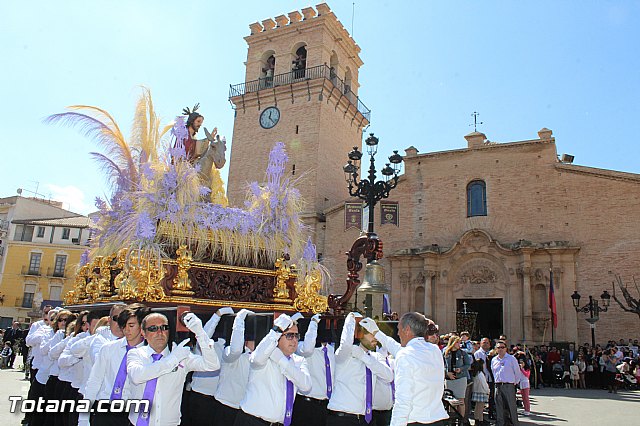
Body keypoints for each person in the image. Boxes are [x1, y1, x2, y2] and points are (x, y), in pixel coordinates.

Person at [127, 312, 220, 426]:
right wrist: (173, 359)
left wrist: (200, 333)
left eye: (164, 328)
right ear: (143, 333)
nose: (160, 332)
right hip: (137, 423)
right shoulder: (136, 354)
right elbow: (137, 376)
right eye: (153, 328)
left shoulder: (181, 355)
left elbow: (212, 365)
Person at [236, 313, 311, 426]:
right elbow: (256, 359)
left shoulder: (299, 361)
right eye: (290, 336)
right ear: (278, 338)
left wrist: (282, 361)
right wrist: (277, 329)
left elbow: (306, 386)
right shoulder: (265, 357)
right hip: (253, 421)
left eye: (297, 336)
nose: (294, 340)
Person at [85, 304, 149, 426]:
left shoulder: (149, 354)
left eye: (131, 325)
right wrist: (83, 418)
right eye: (123, 325)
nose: (126, 329)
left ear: (142, 326)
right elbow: (94, 381)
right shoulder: (108, 348)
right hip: (104, 408)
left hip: (130, 412)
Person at [326, 313, 393, 425]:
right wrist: (351, 321)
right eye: (370, 334)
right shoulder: (345, 355)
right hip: (342, 418)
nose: (375, 338)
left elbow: (389, 376)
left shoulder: (375, 358)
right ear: (360, 334)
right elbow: (345, 344)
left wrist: (364, 357)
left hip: (366, 419)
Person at [384, 312, 447, 426]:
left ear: (407, 329)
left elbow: (403, 399)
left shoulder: (406, 355)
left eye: (399, 329)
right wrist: (377, 333)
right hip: (436, 419)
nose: (398, 333)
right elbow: (400, 349)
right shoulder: (434, 350)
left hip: (415, 420)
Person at [213, 309, 255, 426]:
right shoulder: (229, 352)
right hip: (225, 406)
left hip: (244, 409)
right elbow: (236, 349)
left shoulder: (259, 357)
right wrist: (239, 321)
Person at [291, 313, 333, 426]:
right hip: (306, 404)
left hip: (325, 406)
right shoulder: (302, 347)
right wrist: (313, 323)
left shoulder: (331, 350)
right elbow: (308, 349)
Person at [491, 340, 522, 426]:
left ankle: (514, 423)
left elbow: (517, 372)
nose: (500, 349)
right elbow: (493, 372)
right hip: (498, 385)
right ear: (496, 349)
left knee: (511, 406)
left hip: (509, 385)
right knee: (499, 406)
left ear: (506, 349)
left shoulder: (511, 359)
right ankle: (500, 423)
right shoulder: (494, 360)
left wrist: (514, 383)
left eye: (502, 347)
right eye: (498, 348)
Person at [443, 336, 472, 420]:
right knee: (451, 400)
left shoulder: (463, 353)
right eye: (457, 342)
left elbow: (468, 365)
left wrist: (461, 369)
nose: (459, 344)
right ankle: (452, 419)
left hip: (460, 379)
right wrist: (447, 373)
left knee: (460, 400)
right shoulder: (446, 352)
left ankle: (461, 419)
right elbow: (442, 364)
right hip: (449, 379)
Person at [470, 359, 490, 426]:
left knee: (477, 407)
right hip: (482, 392)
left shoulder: (475, 373)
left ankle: (477, 419)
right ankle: (480, 420)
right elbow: (484, 384)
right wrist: (488, 391)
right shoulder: (481, 374)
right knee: (481, 408)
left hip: (476, 391)